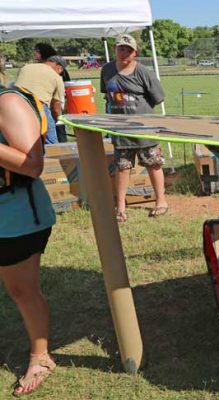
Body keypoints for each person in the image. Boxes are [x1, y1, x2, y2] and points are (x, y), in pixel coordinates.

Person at [0, 87, 57, 396]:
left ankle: (41, 357)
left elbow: (33, 164)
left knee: (21, 289)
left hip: (16, 217)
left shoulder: (7, 102)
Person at [100, 34, 168, 222]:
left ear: (135, 52)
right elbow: (107, 94)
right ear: (115, 50)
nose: (124, 53)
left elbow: (159, 97)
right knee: (122, 167)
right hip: (120, 129)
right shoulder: (106, 70)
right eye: (120, 49)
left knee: (153, 164)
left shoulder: (143, 72)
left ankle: (161, 201)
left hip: (144, 128)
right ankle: (121, 205)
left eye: (128, 50)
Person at [14, 55, 67, 145]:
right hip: (38, 105)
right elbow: (56, 106)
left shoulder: (26, 67)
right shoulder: (57, 78)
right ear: (60, 67)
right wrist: (57, 120)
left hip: (15, 104)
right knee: (51, 142)